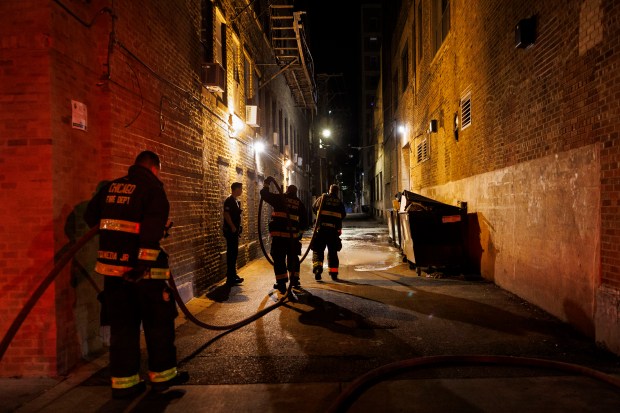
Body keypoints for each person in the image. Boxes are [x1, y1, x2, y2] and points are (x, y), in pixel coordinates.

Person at [84, 151, 188, 399]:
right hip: (145, 276)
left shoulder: (111, 188)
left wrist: (116, 240)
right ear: (154, 168)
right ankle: (162, 379)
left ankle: (124, 384)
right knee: (158, 326)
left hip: (113, 275)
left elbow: (91, 218)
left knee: (123, 330)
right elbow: (151, 230)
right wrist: (141, 264)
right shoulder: (153, 189)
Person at [260, 180, 308, 293]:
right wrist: (298, 235)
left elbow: (264, 194)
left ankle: (281, 284)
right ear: (296, 193)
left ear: (286, 190)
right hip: (292, 239)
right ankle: (295, 280)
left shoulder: (279, 198)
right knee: (293, 259)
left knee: (279, 259)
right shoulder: (299, 203)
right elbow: (304, 223)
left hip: (279, 237)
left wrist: (266, 184)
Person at [312, 184, 347, 280]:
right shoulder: (339, 202)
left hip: (321, 230)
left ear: (329, 190)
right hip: (333, 231)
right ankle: (334, 274)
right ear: (337, 192)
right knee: (333, 252)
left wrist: (321, 217)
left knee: (318, 251)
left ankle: (318, 270)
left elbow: (314, 207)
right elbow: (343, 215)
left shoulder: (322, 198)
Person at [223, 182, 244, 286]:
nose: (241, 191)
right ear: (236, 189)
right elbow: (226, 214)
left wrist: (238, 226)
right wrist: (232, 226)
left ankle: (233, 274)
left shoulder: (236, 201)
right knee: (231, 254)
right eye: (240, 189)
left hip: (234, 232)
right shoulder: (229, 200)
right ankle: (230, 278)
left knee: (234, 253)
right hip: (230, 232)